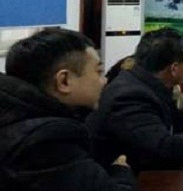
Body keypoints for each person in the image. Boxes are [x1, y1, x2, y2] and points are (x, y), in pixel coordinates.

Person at [0, 29, 136, 191]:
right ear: (64, 81)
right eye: (98, 71)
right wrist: (121, 170)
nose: (104, 81)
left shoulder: (17, 115)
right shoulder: (47, 140)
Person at [86, 28, 183, 172]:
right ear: (174, 69)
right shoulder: (130, 96)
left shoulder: (144, 81)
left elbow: (173, 116)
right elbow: (165, 149)